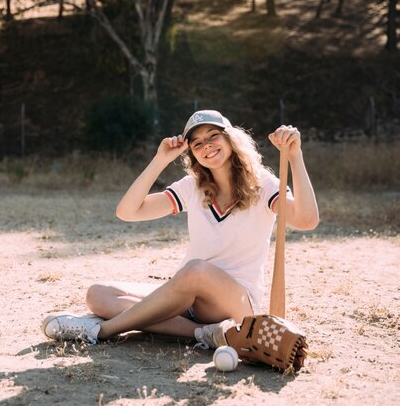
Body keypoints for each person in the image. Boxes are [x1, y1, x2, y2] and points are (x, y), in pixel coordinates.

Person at [41, 110, 319, 348]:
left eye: (213, 136)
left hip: (236, 303)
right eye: (197, 143)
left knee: (196, 270)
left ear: (230, 139)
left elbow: (306, 220)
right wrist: (160, 159)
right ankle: (205, 335)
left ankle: (102, 331)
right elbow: (128, 212)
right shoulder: (193, 186)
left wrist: (295, 157)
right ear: (193, 154)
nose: (206, 145)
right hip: (188, 300)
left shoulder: (263, 184)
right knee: (98, 295)